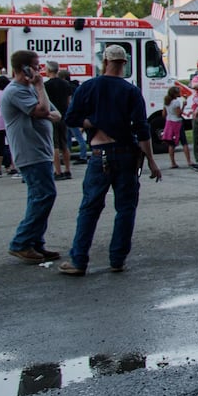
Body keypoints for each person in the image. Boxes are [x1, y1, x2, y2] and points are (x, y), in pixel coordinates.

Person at [57, 44, 163, 275]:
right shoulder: (131, 91)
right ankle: (117, 259)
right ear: (124, 63)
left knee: (90, 208)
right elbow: (142, 129)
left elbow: (71, 118)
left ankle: (78, 260)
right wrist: (152, 162)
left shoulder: (88, 87)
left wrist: (91, 123)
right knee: (125, 208)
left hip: (99, 152)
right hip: (126, 153)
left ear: (105, 61)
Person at [1, 50, 62, 264]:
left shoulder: (29, 89)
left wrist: (43, 105)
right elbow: (43, 110)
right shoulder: (16, 91)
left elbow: (55, 114)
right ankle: (21, 242)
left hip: (41, 151)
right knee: (44, 196)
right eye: (36, 66)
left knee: (39, 197)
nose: (39, 70)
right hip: (30, 153)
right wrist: (39, 87)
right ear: (24, 68)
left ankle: (36, 243)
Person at [43, 62, 74, 180]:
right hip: (64, 116)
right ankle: (67, 169)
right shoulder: (66, 84)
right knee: (64, 144)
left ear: (49, 70)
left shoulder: (46, 85)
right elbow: (69, 102)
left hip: (52, 116)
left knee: (54, 145)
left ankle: (58, 171)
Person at [161, 85, 188, 169]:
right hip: (177, 122)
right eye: (179, 92)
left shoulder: (166, 102)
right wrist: (184, 106)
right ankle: (189, 161)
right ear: (175, 94)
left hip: (169, 122)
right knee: (184, 142)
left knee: (171, 143)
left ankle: (173, 162)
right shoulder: (176, 102)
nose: (180, 93)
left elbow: (163, 114)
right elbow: (178, 114)